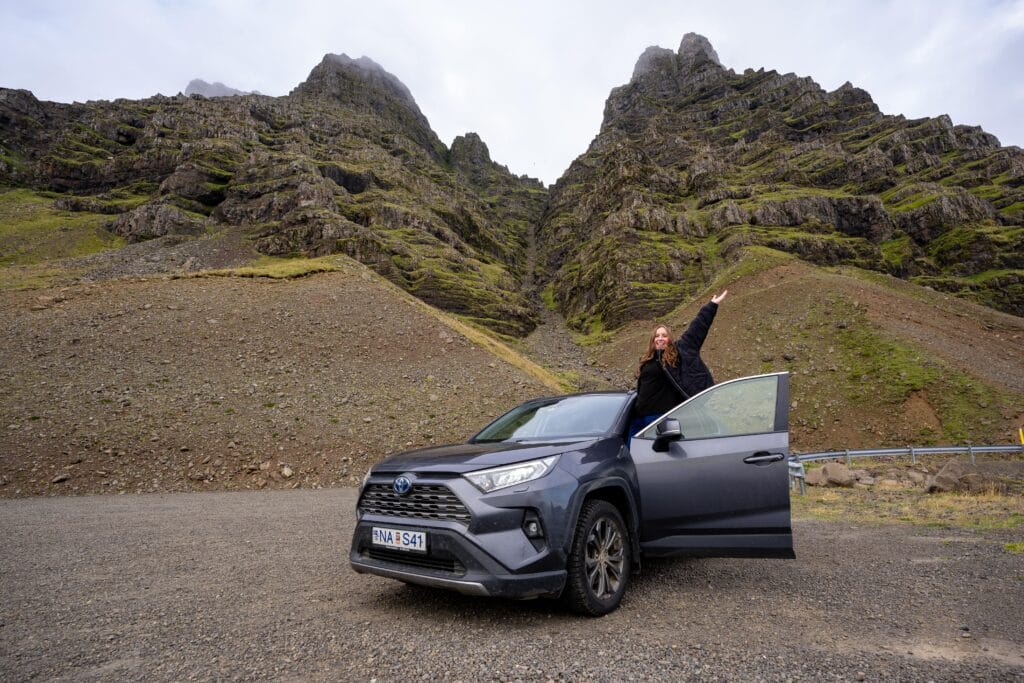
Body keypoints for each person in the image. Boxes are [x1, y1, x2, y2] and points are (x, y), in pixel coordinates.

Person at [629, 290, 728, 441]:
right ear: (652, 340)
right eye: (657, 336)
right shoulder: (647, 359)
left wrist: (711, 306)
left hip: (661, 418)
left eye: (664, 335)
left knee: (651, 456)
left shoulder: (678, 353)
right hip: (640, 417)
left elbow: (696, 331)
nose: (660, 338)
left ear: (669, 339)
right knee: (628, 453)